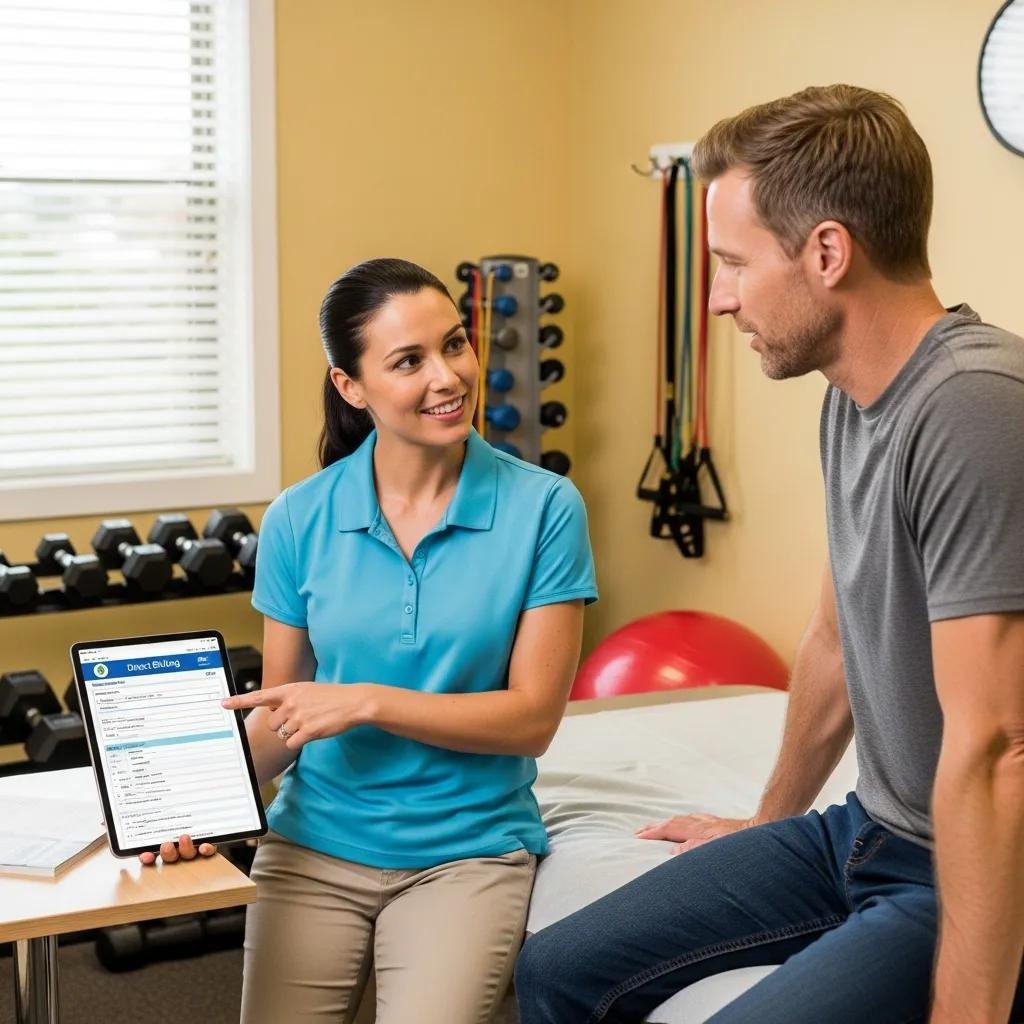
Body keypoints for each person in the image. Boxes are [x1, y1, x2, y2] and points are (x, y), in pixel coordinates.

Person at [515, 85, 1024, 1024]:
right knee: (557, 969)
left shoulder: (973, 405)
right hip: (868, 832)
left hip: (966, 872)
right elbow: (836, 639)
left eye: (733, 264)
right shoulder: (854, 397)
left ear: (827, 253)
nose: (716, 298)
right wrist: (768, 820)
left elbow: (997, 750)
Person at [141, 257, 598, 1024]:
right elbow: (285, 715)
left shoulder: (546, 509)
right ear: (351, 386)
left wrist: (369, 702)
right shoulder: (298, 517)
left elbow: (532, 720)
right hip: (314, 844)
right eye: (409, 361)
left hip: (469, 854)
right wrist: (195, 806)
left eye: (455, 345)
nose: (449, 376)